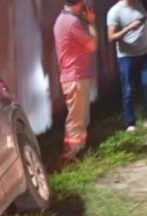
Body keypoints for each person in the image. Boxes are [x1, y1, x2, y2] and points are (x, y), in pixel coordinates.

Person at [107, 0, 147, 132]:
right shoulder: (115, 11)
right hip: (126, 56)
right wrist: (128, 28)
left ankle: (146, 117)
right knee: (128, 90)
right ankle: (130, 123)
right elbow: (111, 37)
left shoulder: (145, 4)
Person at [53, 0, 98, 164]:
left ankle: (79, 149)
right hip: (75, 76)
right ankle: (70, 155)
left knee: (81, 117)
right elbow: (92, 45)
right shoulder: (72, 22)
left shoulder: (64, 19)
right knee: (77, 118)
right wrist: (91, 24)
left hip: (75, 76)